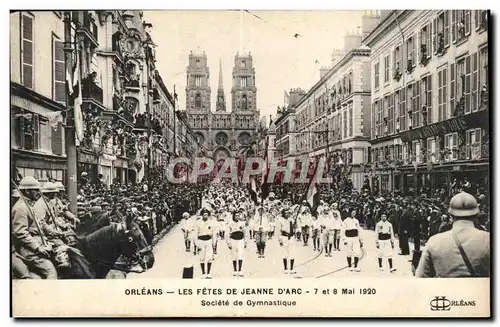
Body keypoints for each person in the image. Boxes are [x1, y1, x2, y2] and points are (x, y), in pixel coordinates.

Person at [416, 192, 490, 278]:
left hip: (445, 291)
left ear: (451, 215)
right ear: (476, 214)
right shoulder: (488, 239)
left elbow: (421, 278)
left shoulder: (434, 241)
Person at [12, 176, 57, 279]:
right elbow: (21, 233)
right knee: (51, 271)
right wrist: (38, 248)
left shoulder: (28, 205)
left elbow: (39, 226)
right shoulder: (21, 208)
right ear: (27, 191)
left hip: (38, 243)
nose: (39, 192)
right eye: (36, 190)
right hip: (29, 250)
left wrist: (45, 242)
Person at [194, 207, 217, 279]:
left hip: (209, 240)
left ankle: (209, 273)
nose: (205, 216)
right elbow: (195, 234)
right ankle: (203, 273)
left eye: (207, 214)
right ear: (202, 215)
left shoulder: (211, 222)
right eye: (204, 214)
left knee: (210, 257)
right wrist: (197, 244)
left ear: (208, 215)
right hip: (201, 240)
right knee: (202, 257)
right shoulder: (198, 223)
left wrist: (214, 243)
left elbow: (214, 233)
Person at [226, 212, 248, 276]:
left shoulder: (242, 223)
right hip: (233, 240)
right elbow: (227, 234)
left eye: (238, 216)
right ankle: (235, 270)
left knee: (240, 255)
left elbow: (245, 233)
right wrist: (228, 243)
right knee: (234, 255)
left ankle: (240, 270)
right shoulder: (230, 224)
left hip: (240, 241)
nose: (237, 217)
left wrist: (245, 242)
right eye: (236, 216)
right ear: (233, 216)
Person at [277, 208, 297, 275]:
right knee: (285, 253)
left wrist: (295, 225)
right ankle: (285, 268)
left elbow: (295, 228)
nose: (287, 214)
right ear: (283, 214)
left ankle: (291, 268)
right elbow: (278, 231)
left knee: (292, 252)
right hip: (284, 237)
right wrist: (280, 240)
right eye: (286, 213)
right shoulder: (280, 220)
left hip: (291, 237)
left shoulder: (291, 220)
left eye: (288, 213)